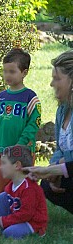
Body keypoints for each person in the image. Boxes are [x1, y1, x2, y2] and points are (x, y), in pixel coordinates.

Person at [0, 48, 41, 196]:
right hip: (1, 153)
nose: (7, 75)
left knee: (23, 188)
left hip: (22, 154)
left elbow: (33, 124)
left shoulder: (30, 98)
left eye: (12, 71)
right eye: (5, 71)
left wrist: (21, 144)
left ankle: (23, 214)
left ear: (24, 72)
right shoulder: (0, 98)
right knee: (1, 188)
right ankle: (0, 214)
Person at [0, 145, 48, 239]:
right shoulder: (11, 185)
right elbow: (0, 202)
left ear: (17, 165)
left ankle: (37, 232)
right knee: (1, 197)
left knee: (9, 233)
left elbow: (26, 214)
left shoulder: (29, 188)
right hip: (18, 218)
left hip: (32, 222)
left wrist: (4, 221)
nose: (0, 168)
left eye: (4, 163)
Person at [40, 50, 73, 213]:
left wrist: (60, 165)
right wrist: (53, 168)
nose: (52, 84)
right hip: (68, 170)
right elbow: (60, 149)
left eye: (57, 78)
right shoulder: (62, 110)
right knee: (46, 183)